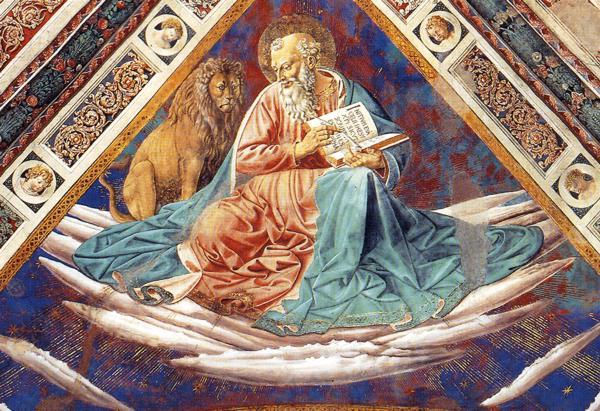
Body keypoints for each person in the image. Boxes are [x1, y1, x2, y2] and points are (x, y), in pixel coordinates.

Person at [73, 15, 543, 336]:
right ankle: (178, 280)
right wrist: (298, 149)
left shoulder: (347, 93)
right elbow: (247, 158)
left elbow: (392, 141)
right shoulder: (272, 99)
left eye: (290, 65)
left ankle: (329, 279)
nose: (282, 74)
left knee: (355, 182)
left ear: (314, 58)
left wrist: (374, 162)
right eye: (277, 68)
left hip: (330, 193)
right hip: (269, 196)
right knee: (214, 232)